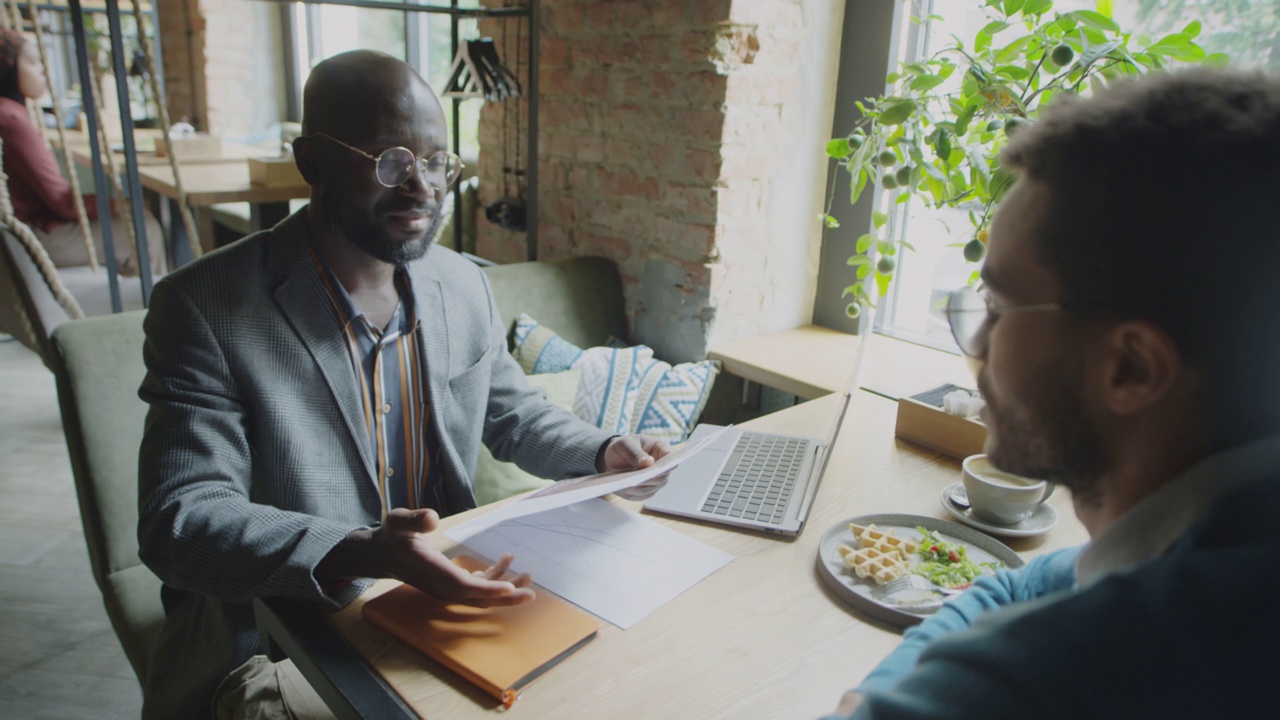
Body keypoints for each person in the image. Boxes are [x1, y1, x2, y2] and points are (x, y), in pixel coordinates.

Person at [136, 50, 670, 719]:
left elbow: (509, 415)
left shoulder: (462, 283)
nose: (422, 187)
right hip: (290, 629)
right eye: (389, 160)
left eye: (437, 160)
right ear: (312, 164)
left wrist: (603, 450)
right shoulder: (206, 306)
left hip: (456, 598)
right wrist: (363, 550)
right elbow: (179, 519)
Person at [827, 67, 1280, 719]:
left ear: (1130, 368)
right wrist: (883, 693)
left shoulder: (1056, 675)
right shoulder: (1229, 533)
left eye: (1000, 307)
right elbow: (1021, 583)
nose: (975, 344)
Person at [0, 28, 164, 276]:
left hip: (23, 229)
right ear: (9, 67)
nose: (43, 71)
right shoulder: (11, 118)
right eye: (33, 63)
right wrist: (122, 205)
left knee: (139, 219)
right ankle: (157, 307)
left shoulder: (10, 113)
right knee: (145, 226)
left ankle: (146, 298)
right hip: (37, 234)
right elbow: (64, 203)